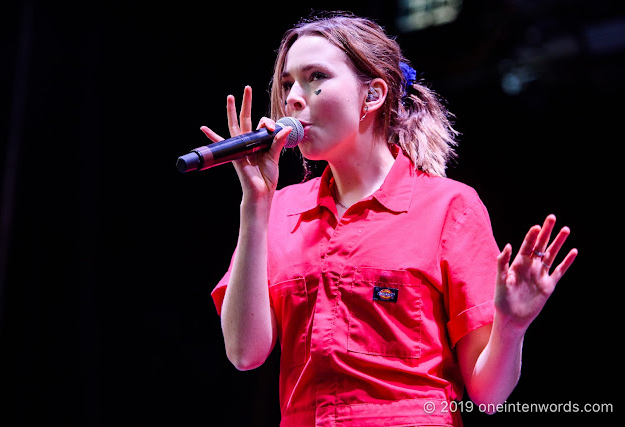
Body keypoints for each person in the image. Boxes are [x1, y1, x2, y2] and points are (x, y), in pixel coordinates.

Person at [203, 12, 577, 426]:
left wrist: (511, 325)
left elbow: (488, 395)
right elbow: (244, 353)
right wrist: (255, 203)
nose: (292, 97)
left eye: (315, 77)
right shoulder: (279, 209)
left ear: (373, 95)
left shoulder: (448, 207)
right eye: (289, 82)